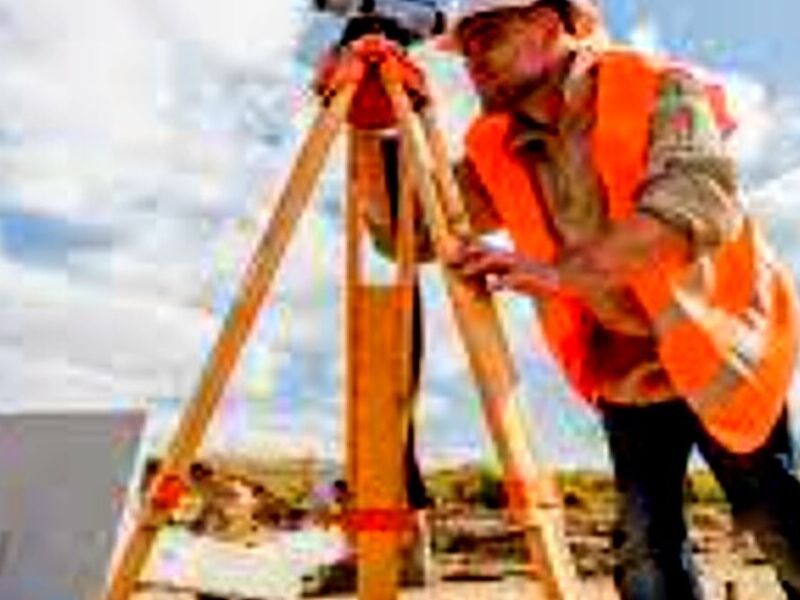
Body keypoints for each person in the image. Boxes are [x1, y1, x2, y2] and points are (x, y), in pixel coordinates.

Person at [414, 0, 800, 598]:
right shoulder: (499, 145)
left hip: (719, 350)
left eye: (486, 35)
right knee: (645, 553)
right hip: (627, 372)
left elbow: (699, 202)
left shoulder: (657, 88)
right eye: (464, 47)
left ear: (547, 25)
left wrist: (561, 275)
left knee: (778, 522)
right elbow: (408, 230)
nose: (471, 59)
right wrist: (371, 122)